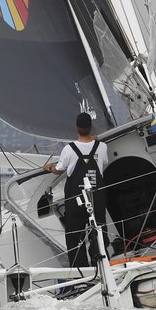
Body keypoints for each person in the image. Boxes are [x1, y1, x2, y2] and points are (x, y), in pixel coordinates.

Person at [43, 112, 109, 268]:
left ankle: (81, 272)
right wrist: (95, 140)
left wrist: (49, 168)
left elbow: (59, 169)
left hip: (76, 198)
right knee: (99, 231)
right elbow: (104, 160)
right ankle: (100, 265)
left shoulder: (69, 149)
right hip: (97, 196)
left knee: (75, 236)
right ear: (91, 127)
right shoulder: (102, 146)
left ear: (76, 128)